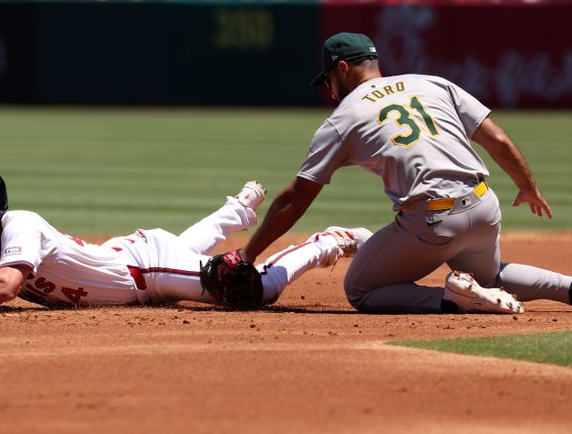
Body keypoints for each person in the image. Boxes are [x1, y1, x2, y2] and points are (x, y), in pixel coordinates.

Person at [241, 32, 572, 314]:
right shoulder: (432, 83)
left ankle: (455, 300)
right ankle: (567, 288)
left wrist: (248, 254)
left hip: (434, 221)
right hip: (485, 206)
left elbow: (295, 198)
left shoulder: (344, 117)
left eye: (329, 78)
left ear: (342, 69)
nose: (329, 89)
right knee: (491, 280)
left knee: (360, 289)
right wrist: (527, 187)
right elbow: (497, 139)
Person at [0, 166, 370, 312]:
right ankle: (237, 210)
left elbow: (5, 286)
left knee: (246, 290)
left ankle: (328, 240)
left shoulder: (20, 224)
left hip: (146, 270)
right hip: (129, 257)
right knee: (185, 253)